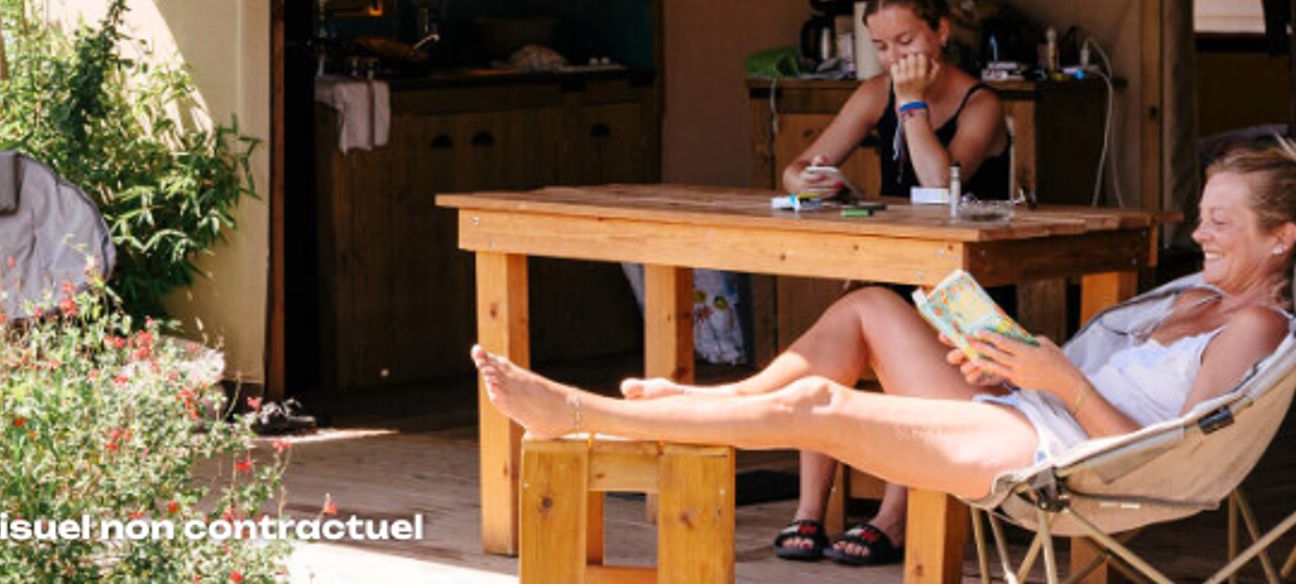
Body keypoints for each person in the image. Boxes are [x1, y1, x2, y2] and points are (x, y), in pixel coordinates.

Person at [472, 141, 1296, 518]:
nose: (1201, 234)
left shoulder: (1257, 325)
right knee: (870, 303)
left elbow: (1169, 449)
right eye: (1202, 217)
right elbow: (1072, 380)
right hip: (1026, 412)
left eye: (1222, 223)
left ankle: (585, 415)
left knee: (822, 407)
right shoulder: (1187, 294)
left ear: (1281, 237)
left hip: (1070, 460)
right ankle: (706, 401)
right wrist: (1006, 365)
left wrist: (1060, 384)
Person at [772, 0, 1012, 564]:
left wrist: (912, 106)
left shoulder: (980, 102)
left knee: (907, 356)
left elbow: (940, 183)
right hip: (894, 266)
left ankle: (894, 515)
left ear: (941, 31)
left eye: (906, 41)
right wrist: (810, 178)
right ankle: (809, 510)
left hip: (963, 284)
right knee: (831, 345)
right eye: (881, 46)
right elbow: (796, 166)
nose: (894, 57)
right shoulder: (874, 93)